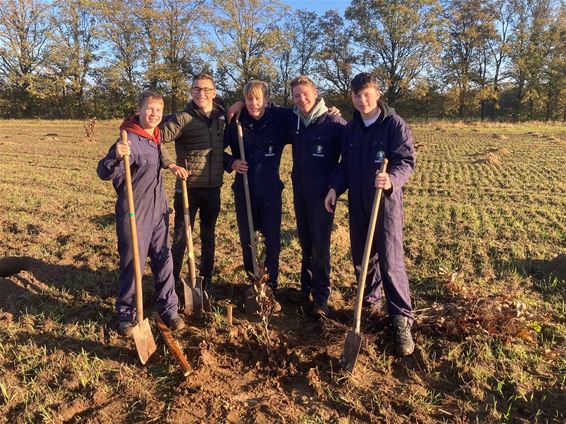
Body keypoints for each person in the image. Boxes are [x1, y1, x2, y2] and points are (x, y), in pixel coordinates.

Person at [324, 73, 416, 356]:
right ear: (351, 96)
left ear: (377, 94)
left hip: (385, 203)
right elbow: (344, 164)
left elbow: (406, 161)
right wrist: (334, 188)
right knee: (363, 259)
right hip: (359, 203)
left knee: (390, 261)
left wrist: (391, 180)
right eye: (356, 95)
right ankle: (371, 303)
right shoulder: (351, 129)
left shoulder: (393, 125)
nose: (362, 100)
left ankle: (401, 318)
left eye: (367, 94)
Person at [97, 91, 187, 336]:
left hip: (159, 208)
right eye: (150, 109)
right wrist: (116, 156)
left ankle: (169, 309)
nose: (154, 114)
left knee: (164, 258)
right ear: (139, 110)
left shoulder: (155, 136)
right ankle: (127, 313)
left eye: (158, 110)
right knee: (132, 262)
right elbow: (103, 173)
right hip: (135, 209)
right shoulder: (128, 139)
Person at [160, 73, 230, 293]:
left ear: (214, 92)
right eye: (197, 89)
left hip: (213, 188)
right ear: (191, 92)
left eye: (206, 89)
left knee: (208, 235)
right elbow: (154, 139)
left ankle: (205, 279)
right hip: (187, 189)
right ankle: (171, 280)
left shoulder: (222, 118)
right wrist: (170, 164)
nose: (201, 93)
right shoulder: (182, 118)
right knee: (181, 236)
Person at [224, 80, 290, 313]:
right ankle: (253, 282)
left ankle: (271, 285)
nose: (254, 103)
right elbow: (218, 150)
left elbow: (305, 114)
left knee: (272, 239)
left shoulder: (279, 120)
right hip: (244, 189)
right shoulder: (236, 122)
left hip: (271, 189)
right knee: (248, 238)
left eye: (258, 98)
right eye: (249, 99)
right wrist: (231, 161)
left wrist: (329, 111)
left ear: (266, 99)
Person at [287, 76, 346, 316]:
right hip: (300, 190)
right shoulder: (294, 121)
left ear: (315, 93)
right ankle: (306, 288)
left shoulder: (334, 122)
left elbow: (347, 160)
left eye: (305, 93)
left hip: (323, 195)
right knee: (305, 241)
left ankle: (321, 296)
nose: (301, 99)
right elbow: (264, 108)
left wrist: (335, 187)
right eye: (296, 95)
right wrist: (237, 105)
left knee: (320, 246)